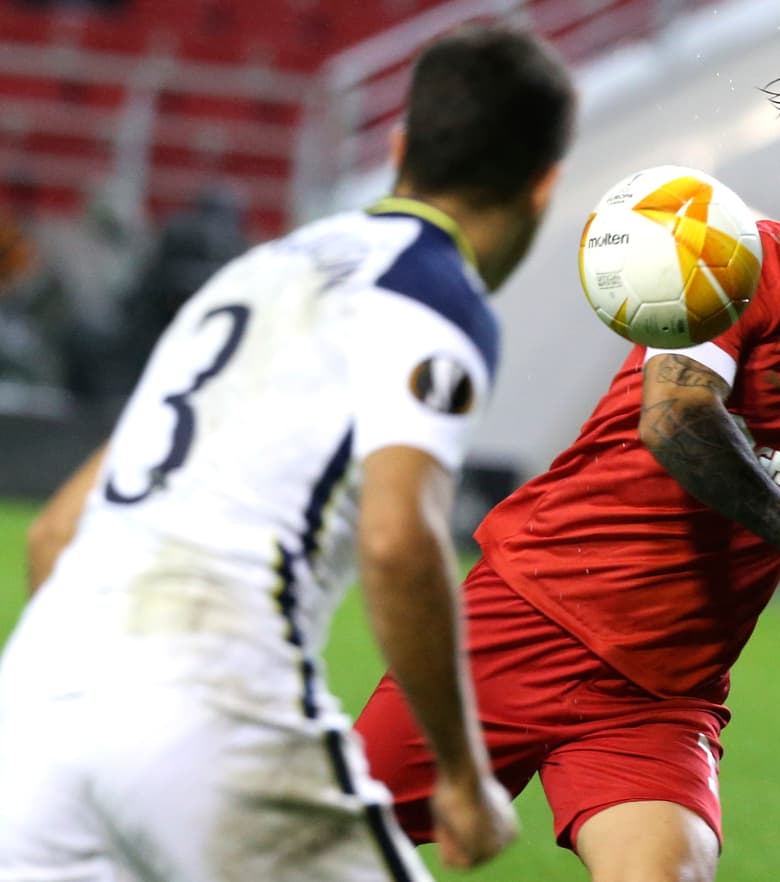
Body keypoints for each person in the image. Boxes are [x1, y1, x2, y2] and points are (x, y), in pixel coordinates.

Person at [355, 54, 780, 882]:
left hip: (661, 695)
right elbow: (676, 416)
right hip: (528, 616)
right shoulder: (727, 262)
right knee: (307, 850)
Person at [0, 23, 575, 881]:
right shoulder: (430, 292)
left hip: (36, 706)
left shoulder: (251, 273)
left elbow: (54, 535)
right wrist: (461, 775)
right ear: (543, 185)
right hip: (212, 696)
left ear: (398, 145)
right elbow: (397, 542)